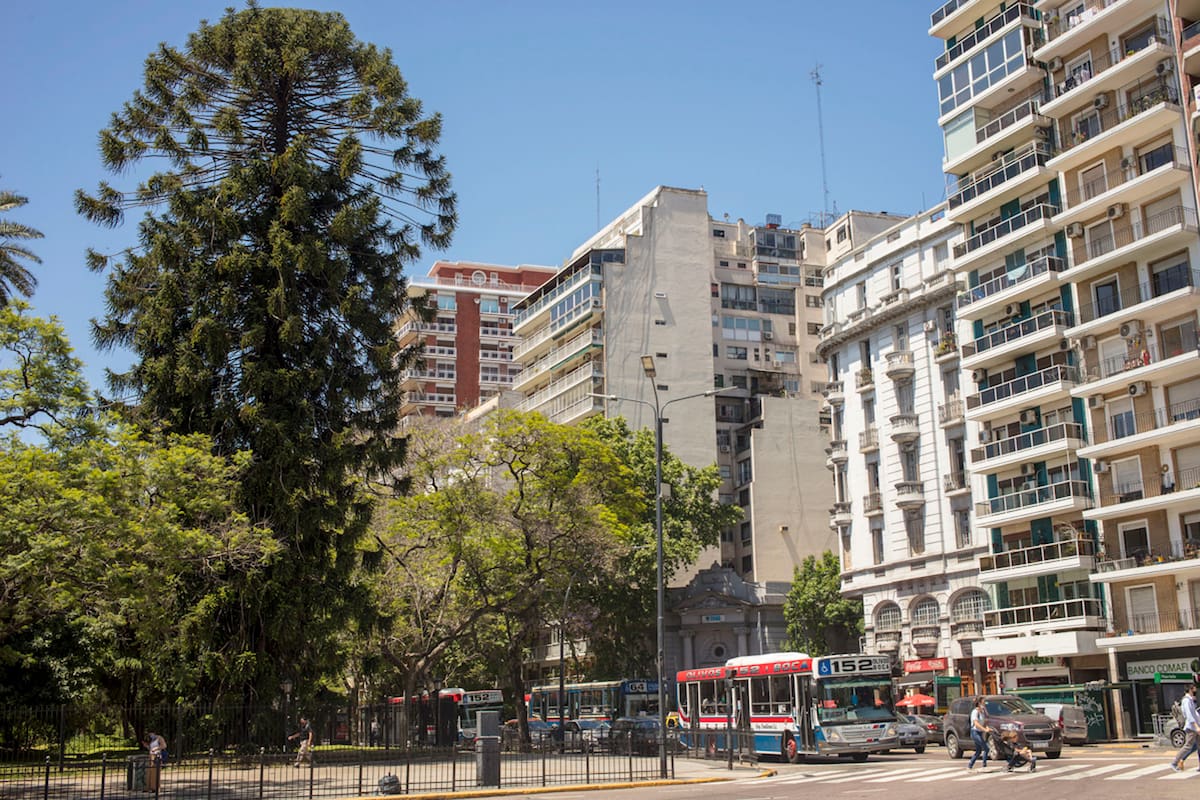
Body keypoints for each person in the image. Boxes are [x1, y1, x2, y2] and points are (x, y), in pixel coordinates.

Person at [1170, 683, 1200, 771]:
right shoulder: (1186, 700)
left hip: (1195, 726)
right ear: (1191, 689)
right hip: (1192, 728)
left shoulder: (1190, 700)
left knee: (1198, 745)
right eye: (1194, 688)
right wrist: (1196, 727)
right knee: (1188, 746)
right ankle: (1174, 763)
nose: (1196, 689)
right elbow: (1189, 715)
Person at [967, 697, 992, 770]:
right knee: (986, 748)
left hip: (980, 732)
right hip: (975, 732)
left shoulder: (983, 711)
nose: (984, 704)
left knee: (978, 751)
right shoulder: (975, 712)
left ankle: (970, 765)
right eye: (983, 702)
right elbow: (976, 723)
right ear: (979, 703)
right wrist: (985, 730)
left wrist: (987, 728)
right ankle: (984, 765)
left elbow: (984, 722)